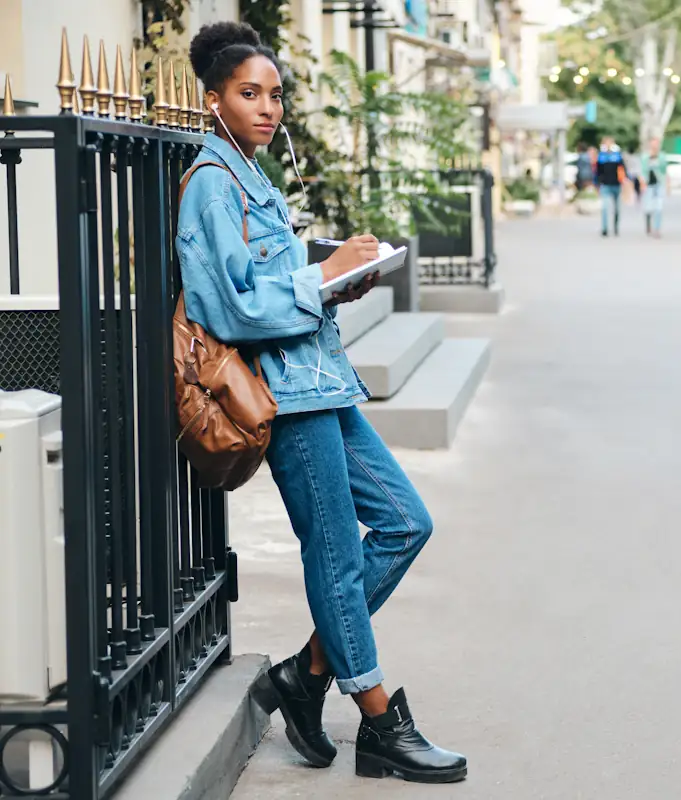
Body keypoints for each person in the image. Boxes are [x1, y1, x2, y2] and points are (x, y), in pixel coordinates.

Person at [179, 21, 467, 784]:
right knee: (337, 559)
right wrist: (321, 273)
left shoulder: (253, 175)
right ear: (214, 101)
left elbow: (275, 284)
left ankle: (302, 678)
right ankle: (379, 720)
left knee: (407, 521)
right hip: (288, 400)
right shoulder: (211, 181)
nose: (268, 108)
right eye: (249, 94)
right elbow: (229, 305)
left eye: (275, 94)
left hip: (323, 381)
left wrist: (341, 275)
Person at [595, 136, 626, 236]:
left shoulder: (617, 156)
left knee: (617, 209)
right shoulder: (601, 157)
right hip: (605, 185)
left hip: (616, 185)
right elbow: (597, 172)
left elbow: (623, 170)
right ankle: (604, 228)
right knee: (604, 208)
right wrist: (597, 184)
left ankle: (616, 227)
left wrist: (625, 182)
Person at [640, 138, 669, 237]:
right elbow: (643, 171)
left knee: (658, 207)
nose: (654, 147)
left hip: (659, 184)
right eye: (653, 145)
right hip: (648, 185)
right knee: (648, 207)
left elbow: (664, 171)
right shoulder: (645, 157)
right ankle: (648, 222)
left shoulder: (662, 156)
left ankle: (657, 229)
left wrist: (668, 186)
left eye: (656, 145)